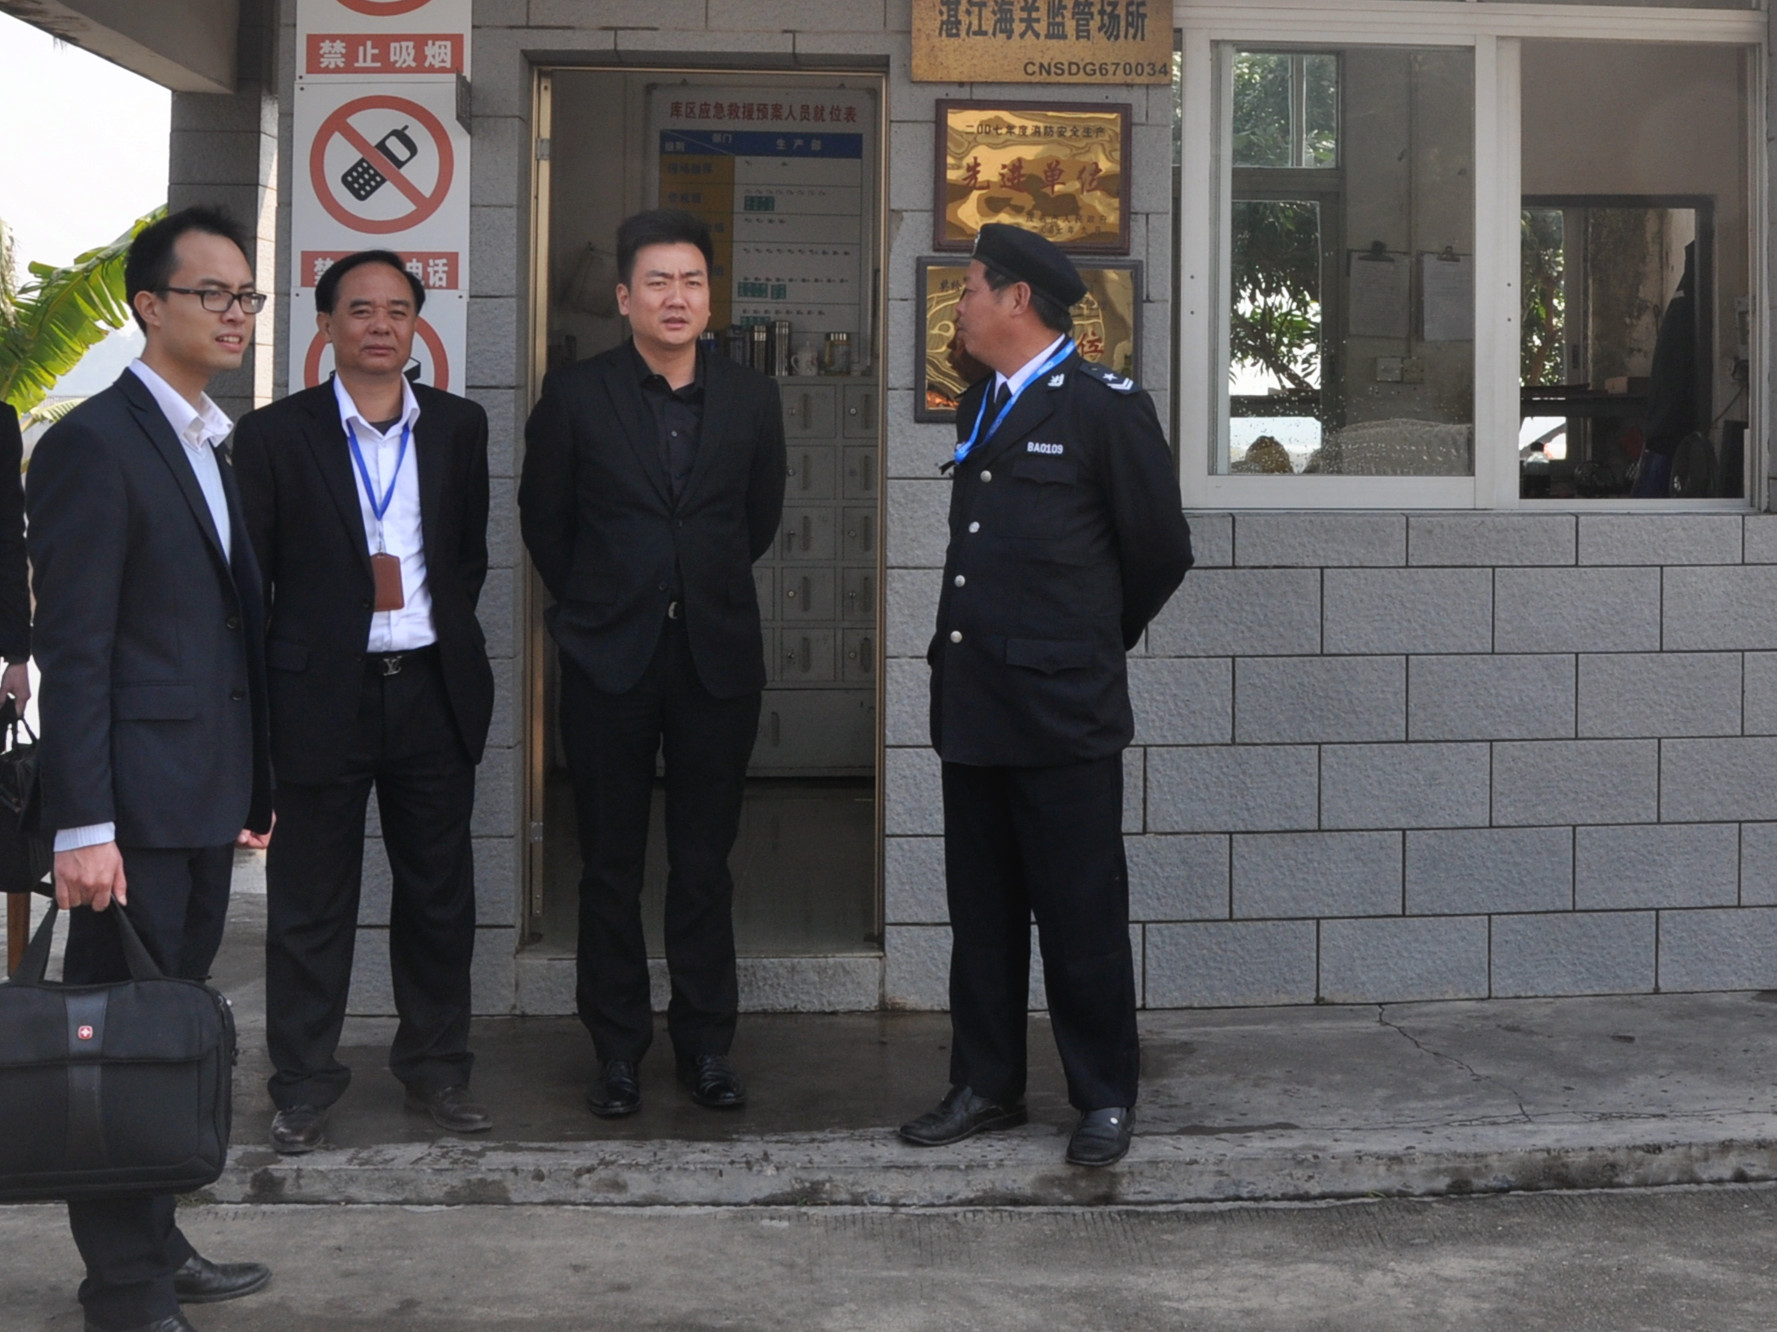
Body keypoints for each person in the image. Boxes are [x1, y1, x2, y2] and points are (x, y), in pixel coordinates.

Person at [899, 224, 1194, 1169]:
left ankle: (1103, 1095)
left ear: (1016, 298)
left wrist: (1086, 646)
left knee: (1079, 916)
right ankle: (985, 1084)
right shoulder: (979, 400)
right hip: (975, 702)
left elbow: (1159, 551)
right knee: (981, 916)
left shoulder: (1105, 408)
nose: (959, 306)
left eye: (969, 289)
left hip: (1063, 710)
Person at [27, 205, 274, 1332]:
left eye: (245, 296)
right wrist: (84, 826)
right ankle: (123, 1290)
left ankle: (156, 1241)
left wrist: (251, 787)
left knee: (164, 1039)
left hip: (198, 797)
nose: (235, 314)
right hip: (128, 812)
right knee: (116, 1048)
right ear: (148, 306)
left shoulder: (207, 438)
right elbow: (77, 647)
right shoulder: (95, 444)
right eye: (211, 294)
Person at [519, 208, 785, 1118]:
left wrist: (692, 585)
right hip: (610, 658)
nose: (677, 297)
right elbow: (546, 522)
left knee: (705, 864)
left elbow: (756, 520)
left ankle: (706, 1046)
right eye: (659, 282)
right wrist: (603, 602)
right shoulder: (575, 396)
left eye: (693, 281)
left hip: (716, 657)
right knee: (609, 864)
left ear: (711, 298)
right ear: (625, 297)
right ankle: (617, 1051)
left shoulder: (751, 398)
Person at [232, 250, 494, 1153]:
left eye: (397, 309)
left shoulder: (459, 427)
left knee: (438, 898)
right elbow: (254, 577)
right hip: (319, 695)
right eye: (360, 309)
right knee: (310, 903)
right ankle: (303, 1086)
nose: (380, 324)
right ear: (326, 325)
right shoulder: (274, 436)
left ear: (417, 323)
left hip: (430, 689)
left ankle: (439, 1070)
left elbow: (464, 560)